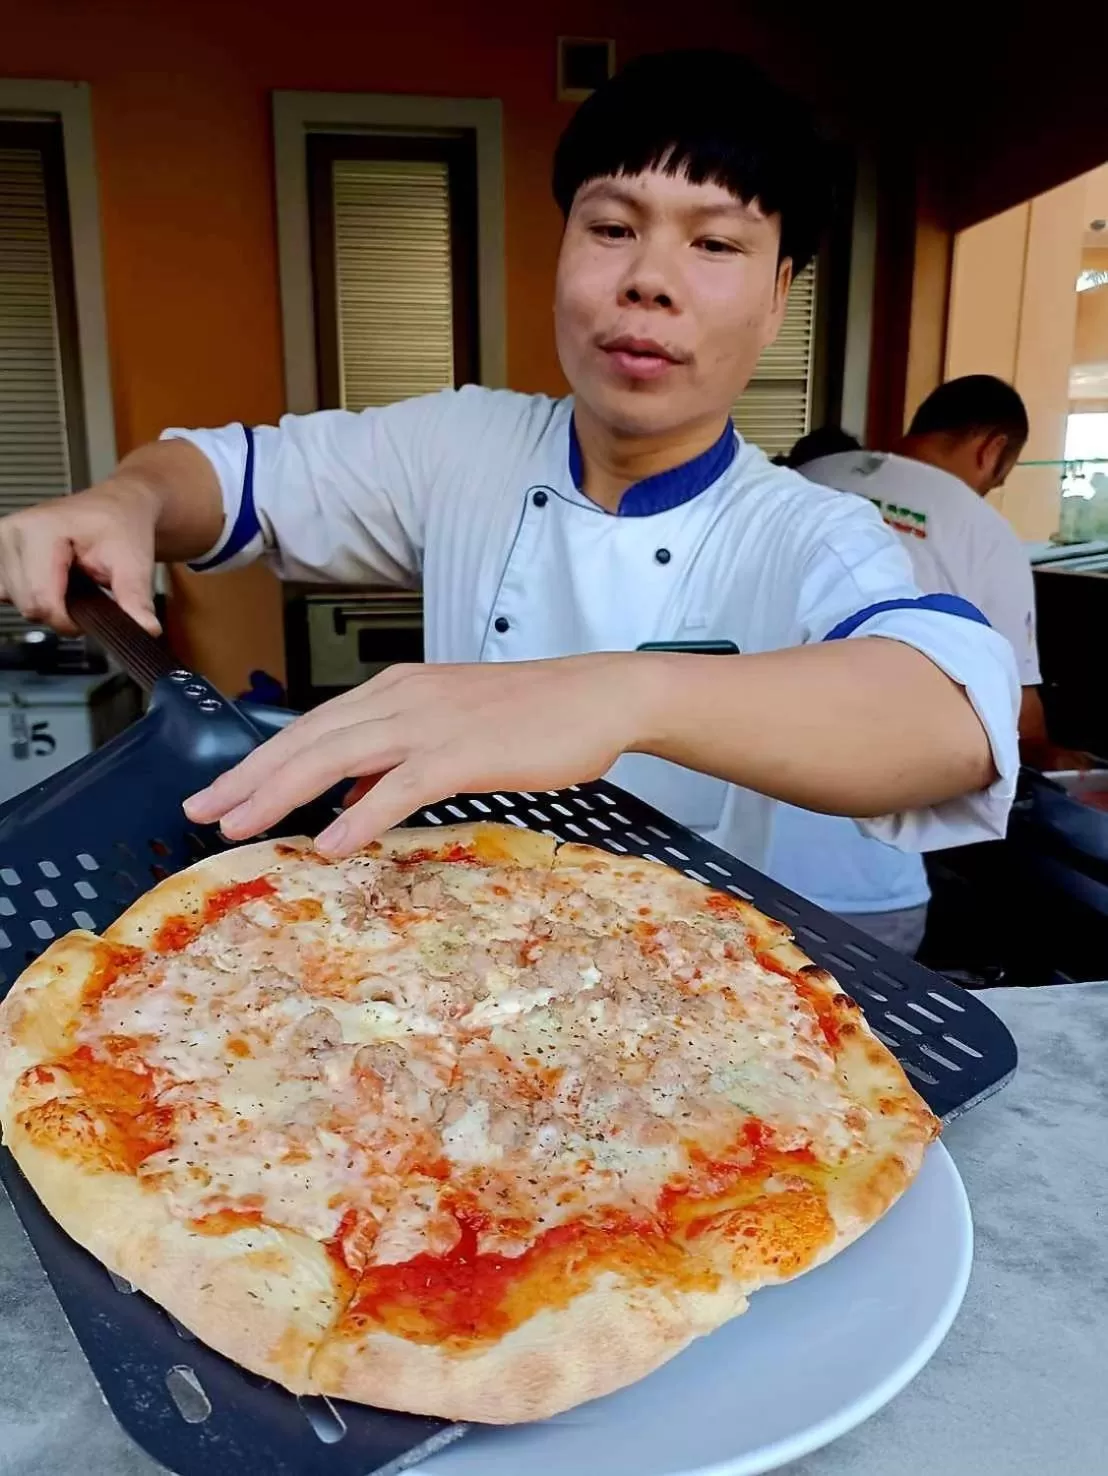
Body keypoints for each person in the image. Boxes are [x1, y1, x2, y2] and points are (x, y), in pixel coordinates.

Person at [0, 51, 1018, 876]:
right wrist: (128, 498)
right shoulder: (463, 443)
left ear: (777, 298)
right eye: (612, 228)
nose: (649, 282)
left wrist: (617, 695)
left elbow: (955, 715)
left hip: (677, 1001)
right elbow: (227, 478)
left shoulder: (804, 527)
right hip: (452, 945)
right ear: (563, 249)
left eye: (715, 246)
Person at [768, 376, 1037, 953]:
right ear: (991, 450)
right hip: (868, 885)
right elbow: (1021, 718)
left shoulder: (795, 488)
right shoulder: (983, 531)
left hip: (738, 858)